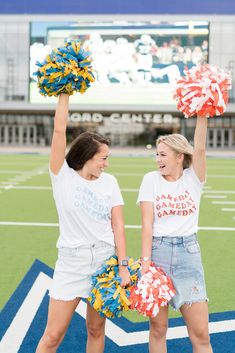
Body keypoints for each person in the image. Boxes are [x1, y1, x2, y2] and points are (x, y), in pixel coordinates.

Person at [36, 93, 130, 353]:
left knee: (96, 329)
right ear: (87, 156)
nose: (106, 164)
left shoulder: (110, 183)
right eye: (103, 158)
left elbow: (118, 227)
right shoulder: (62, 176)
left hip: (104, 262)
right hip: (71, 262)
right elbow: (59, 130)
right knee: (53, 335)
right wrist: (64, 94)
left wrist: (122, 266)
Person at [137, 117, 213, 353]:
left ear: (179, 157)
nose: (158, 159)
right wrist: (146, 264)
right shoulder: (150, 180)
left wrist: (202, 115)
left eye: (163, 155)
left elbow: (199, 148)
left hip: (188, 255)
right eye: (157, 154)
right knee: (158, 329)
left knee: (200, 333)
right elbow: (147, 224)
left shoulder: (194, 178)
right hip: (157, 256)